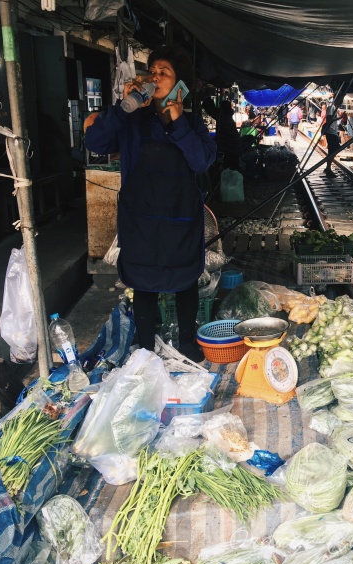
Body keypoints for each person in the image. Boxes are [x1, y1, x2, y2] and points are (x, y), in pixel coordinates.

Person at [85, 46, 216, 361]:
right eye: (152, 71)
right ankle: (144, 350)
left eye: (164, 72)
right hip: (141, 218)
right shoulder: (132, 120)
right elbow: (96, 142)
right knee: (144, 283)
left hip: (180, 217)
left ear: (178, 84)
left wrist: (176, 121)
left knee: (185, 280)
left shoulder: (192, 123)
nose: (155, 77)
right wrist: (122, 108)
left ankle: (186, 344)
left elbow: (200, 162)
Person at [202, 98, 241, 171]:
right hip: (233, 144)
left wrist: (206, 98)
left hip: (231, 145)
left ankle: (230, 178)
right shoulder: (227, 115)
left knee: (230, 165)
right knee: (232, 164)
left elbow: (212, 111)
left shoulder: (223, 116)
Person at [320, 101, 341, 177]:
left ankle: (328, 168)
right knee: (333, 150)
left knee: (333, 150)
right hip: (331, 131)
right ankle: (328, 169)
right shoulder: (331, 107)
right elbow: (329, 119)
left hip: (333, 131)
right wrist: (339, 118)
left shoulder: (333, 107)